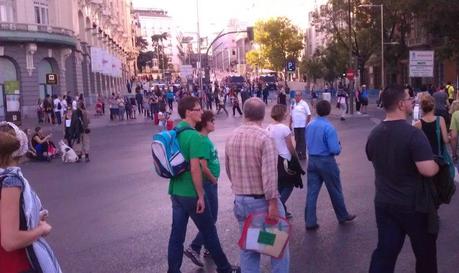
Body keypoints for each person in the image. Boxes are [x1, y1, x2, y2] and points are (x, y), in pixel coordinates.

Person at [366, 85, 439, 273]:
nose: (411, 101)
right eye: (408, 99)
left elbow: (372, 156)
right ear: (400, 104)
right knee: (425, 255)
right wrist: (438, 164)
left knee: (385, 253)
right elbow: (427, 170)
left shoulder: (374, 134)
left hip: (384, 203)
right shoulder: (413, 134)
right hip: (414, 205)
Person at [167, 96, 239, 273]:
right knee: (209, 231)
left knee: (176, 235)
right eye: (198, 109)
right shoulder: (195, 137)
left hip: (176, 191)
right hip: (191, 193)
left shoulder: (175, 133)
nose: (201, 112)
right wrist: (200, 195)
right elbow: (195, 168)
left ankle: (173, 270)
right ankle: (225, 268)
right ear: (188, 112)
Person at [225, 97, 289, 273]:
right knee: (277, 247)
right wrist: (274, 204)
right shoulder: (265, 138)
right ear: (263, 115)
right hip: (262, 203)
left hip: (241, 200)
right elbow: (269, 176)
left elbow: (229, 170)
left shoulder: (232, 136)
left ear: (245, 113)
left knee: (249, 248)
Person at [0, 122, 62, 273]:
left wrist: (32, 218)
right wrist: (40, 229)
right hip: (15, 264)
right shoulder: (11, 182)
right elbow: (10, 241)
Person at [305, 100, 356, 230]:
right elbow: (334, 149)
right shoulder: (329, 127)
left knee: (312, 192)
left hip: (312, 159)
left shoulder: (310, 125)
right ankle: (342, 215)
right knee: (335, 189)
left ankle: (310, 220)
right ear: (328, 111)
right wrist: (338, 147)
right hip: (326, 160)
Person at [185, 111, 221, 265]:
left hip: (209, 183)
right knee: (211, 218)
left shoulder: (205, 139)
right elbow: (203, 166)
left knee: (210, 217)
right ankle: (195, 246)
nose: (214, 123)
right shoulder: (202, 140)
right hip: (208, 183)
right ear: (205, 123)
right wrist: (213, 179)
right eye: (212, 121)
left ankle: (208, 247)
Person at [267, 104, 304, 219]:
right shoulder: (284, 128)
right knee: (289, 184)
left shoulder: (268, 128)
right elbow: (290, 147)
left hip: (274, 159)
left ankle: (282, 209)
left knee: (279, 185)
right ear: (282, 114)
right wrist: (296, 158)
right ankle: (279, 207)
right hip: (285, 160)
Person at [290, 92, 311, 160]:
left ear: (301, 96)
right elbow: (291, 114)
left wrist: (307, 123)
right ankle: (298, 153)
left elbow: (309, 114)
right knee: (297, 139)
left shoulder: (304, 104)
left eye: (298, 95)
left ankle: (303, 154)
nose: (297, 97)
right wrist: (289, 124)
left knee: (302, 140)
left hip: (302, 125)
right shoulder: (292, 104)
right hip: (295, 125)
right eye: (296, 95)